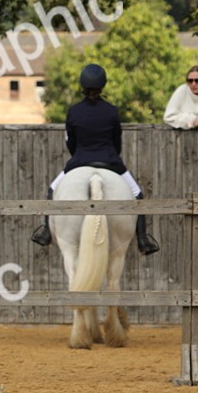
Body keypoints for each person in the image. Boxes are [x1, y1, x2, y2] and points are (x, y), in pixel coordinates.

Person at [31, 63, 160, 255]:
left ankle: (45, 231)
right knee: (137, 193)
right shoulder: (112, 111)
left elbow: (71, 142)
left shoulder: (74, 111)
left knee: (52, 189)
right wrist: (110, 156)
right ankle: (143, 238)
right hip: (110, 161)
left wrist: (80, 155)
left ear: (82, 85)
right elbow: (117, 142)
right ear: (103, 85)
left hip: (80, 160)